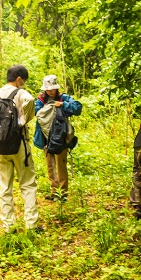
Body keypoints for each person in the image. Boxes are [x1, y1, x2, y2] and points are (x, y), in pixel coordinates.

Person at [0, 64, 40, 233]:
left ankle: (9, 227)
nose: (24, 84)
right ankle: (31, 225)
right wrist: (21, 122)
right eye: (24, 81)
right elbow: (30, 101)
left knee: (5, 186)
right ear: (19, 79)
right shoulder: (21, 94)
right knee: (27, 184)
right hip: (19, 144)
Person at [33, 74, 82, 202]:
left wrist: (62, 105)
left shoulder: (63, 98)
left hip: (61, 138)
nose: (50, 91)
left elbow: (77, 108)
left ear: (56, 88)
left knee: (61, 166)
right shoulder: (40, 100)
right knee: (50, 167)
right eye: (47, 89)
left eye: (52, 89)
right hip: (45, 139)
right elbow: (34, 112)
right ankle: (54, 192)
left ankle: (63, 194)